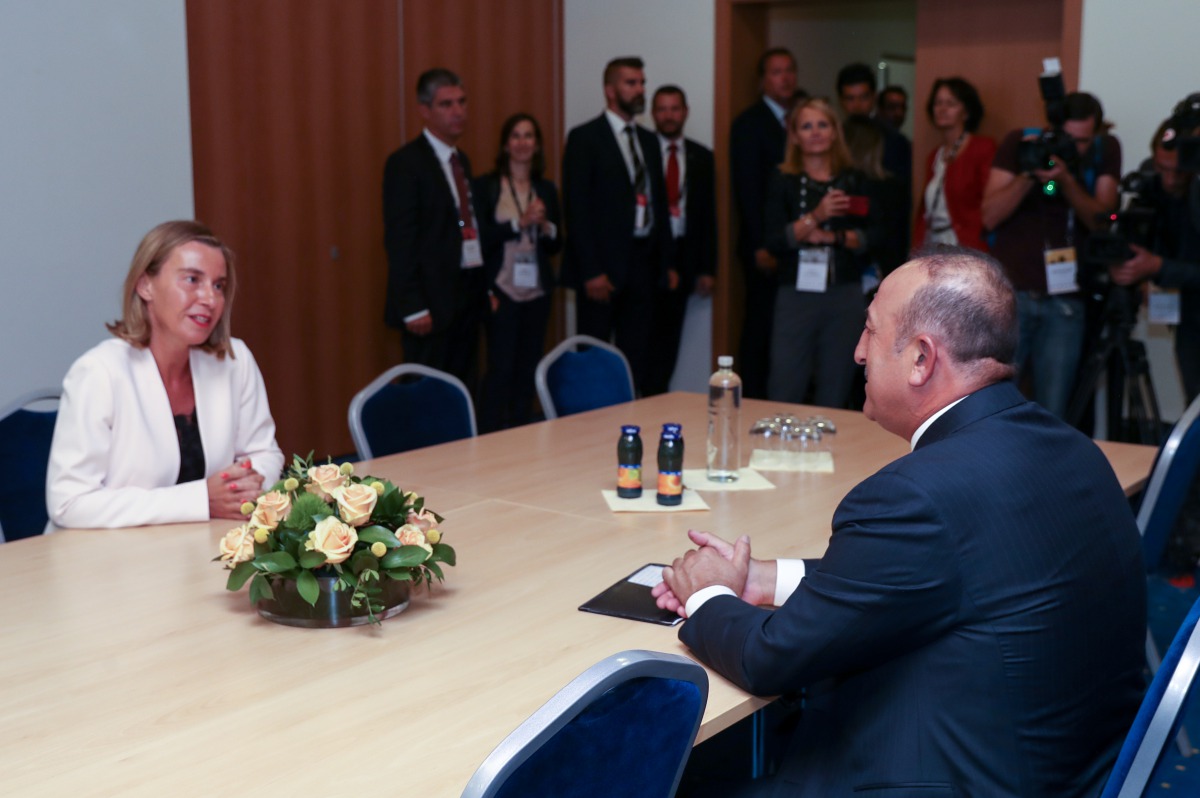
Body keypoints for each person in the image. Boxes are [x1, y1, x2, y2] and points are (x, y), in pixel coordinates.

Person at [654, 248, 1145, 797]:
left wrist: (707, 595)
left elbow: (768, 660)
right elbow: (942, 572)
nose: (859, 352)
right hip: (1068, 770)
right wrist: (768, 579)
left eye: (869, 330)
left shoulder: (912, 495)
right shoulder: (1072, 449)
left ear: (921, 359)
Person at [46, 221, 284, 529]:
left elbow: (265, 452)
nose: (210, 299)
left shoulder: (234, 359)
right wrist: (201, 500)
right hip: (107, 561)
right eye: (192, 279)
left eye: (218, 285)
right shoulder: (99, 372)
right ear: (145, 286)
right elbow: (69, 503)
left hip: (206, 545)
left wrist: (239, 488)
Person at [982, 91, 1121, 420]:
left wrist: (1067, 180)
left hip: (1065, 301)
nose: (1073, 148)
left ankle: (1042, 472)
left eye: (1082, 141)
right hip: (1009, 296)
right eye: (1066, 139)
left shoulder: (1105, 149)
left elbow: (1102, 220)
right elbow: (989, 215)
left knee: (1052, 411)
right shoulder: (1021, 143)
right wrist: (1029, 173)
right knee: (991, 405)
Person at [562, 56, 673, 395]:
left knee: (637, 354)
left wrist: (666, 262)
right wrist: (591, 270)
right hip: (602, 268)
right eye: (631, 83)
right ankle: (590, 426)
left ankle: (631, 423)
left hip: (643, 261)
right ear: (610, 90)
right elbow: (577, 209)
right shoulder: (585, 137)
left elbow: (659, 205)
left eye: (642, 82)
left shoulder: (650, 140)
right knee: (595, 354)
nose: (640, 90)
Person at [764, 98, 882, 407]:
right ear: (795, 136)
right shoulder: (782, 180)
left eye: (822, 124)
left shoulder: (855, 179)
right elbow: (774, 240)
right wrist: (816, 215)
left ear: (834, 132)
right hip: (795, 293)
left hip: (844, 292)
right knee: (785, 383)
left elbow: (872, 237)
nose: (815, 132)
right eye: (806, 126)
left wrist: (832, 236)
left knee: (837, 385)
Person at [383, 67, 489, 392]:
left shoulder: (462, 161)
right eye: (446, 104)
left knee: (463, 387)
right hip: (428, 305)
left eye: (462, 102)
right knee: (427, 394)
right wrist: (412, 305)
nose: (458, 111)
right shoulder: (406, 163)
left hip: (464, 297)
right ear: (424, 110)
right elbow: (400, 239)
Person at [474, 113, 562, 431]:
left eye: (528, 136)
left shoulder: (546, 189)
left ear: (537, 145)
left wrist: (545, 226)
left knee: (528, 367)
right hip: (501, 290)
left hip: (536, 292)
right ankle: (489, 436)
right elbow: (480, 238)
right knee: (500, 368)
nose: (522, 142)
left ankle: (522, 434)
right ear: (505, 144)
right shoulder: (487, 186)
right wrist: (518, 223)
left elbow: (556, 244)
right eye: (516, 136)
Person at [1110, 110, 1200, 403]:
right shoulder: (1150, 182)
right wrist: (1134, 270)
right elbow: (1137, 235)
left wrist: (1158, 267)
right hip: (1187, 318)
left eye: (1178, 171)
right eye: (1162, 168)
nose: (1169, 179)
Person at [730, 48, 801, 399]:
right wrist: (761, 244)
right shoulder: (749, 122)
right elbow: (747, 190)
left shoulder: (802, 118)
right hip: (764, 244)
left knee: (790, 327)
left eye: (789, 71)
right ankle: (754, 396)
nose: (784, 78)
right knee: (760, 325)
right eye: (776, 72)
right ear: (763, 80)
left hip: (797, 244)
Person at [644, 85, 716, 395]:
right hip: (647, 257)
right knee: (640, 337)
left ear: (685, 112)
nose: (669, 115)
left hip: (686, 256)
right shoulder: (643, 153)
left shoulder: (702, 156)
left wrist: (707, 268)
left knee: (669, 340)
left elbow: (709, 216)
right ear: (653, 113)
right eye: (662, 109)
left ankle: (658, 395)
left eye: (675, 108)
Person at [913, 77, 996, 251]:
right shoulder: (934, 155)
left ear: (966, 112)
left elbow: (991, 205)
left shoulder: (982, 148)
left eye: (950, 103)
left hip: (967, 246)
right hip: (933, 244)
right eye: (938, 103)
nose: (942, 109)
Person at [836, 63, 912, 230]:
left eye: (863, 97)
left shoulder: (894, 141)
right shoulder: (833, 138)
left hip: (883, 229)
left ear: (874, 98)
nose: (857, 105)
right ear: (841, 100)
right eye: (850, 98)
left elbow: (901, 201)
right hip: (841, 230)